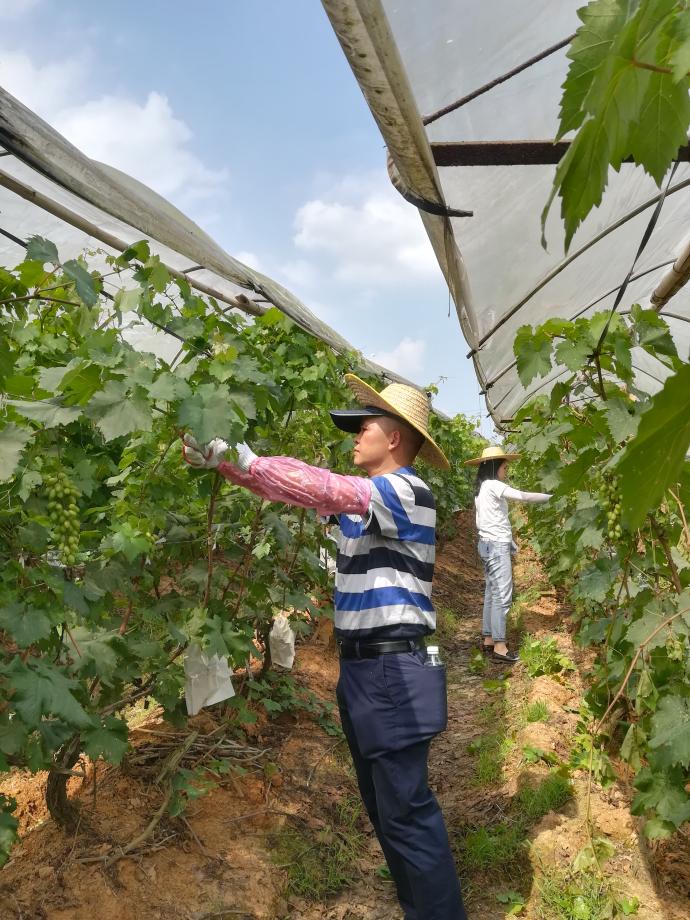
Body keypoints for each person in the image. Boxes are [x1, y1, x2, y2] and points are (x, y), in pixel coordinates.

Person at [182, 374, 467, 920]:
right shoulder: (368, 509)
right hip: (364, 673)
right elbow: (295, 491)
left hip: (393, 672)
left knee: (406, 812)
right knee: (386, 812)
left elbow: (324, 487)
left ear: (398, 438)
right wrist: (226, 466)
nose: (355, 435)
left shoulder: (405, 492)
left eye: (366, 426)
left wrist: (249, 458)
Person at [464, 445, 551, 663]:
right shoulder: (494, 485)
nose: (506, 471)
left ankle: (489, 639)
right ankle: (501, 647)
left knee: (491, 593)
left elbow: (486, 521)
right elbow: (524, 497)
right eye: (505, 467)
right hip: (496, 546)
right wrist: (551, 497)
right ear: (496, 467)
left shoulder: (481, 489)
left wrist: (509, 540)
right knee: (503, 596)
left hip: (486, 545)